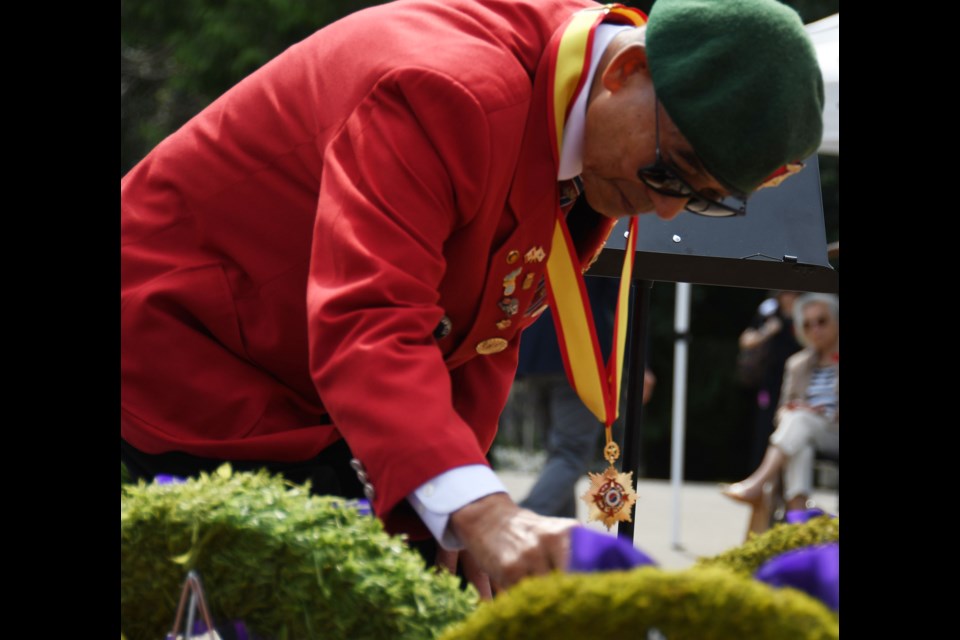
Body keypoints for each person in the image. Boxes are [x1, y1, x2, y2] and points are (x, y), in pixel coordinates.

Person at [121, 0, 824, 595]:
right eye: (674, 172)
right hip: (175, 357)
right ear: (627, 72)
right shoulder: (445, 87)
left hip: (283, 382)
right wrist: (481, 513)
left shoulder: (584, 119)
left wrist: (453, 510)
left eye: (699, 201)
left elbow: (486, 334)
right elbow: (371, 318)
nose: (666, 212)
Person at [509, 275, 656, 519]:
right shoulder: (600, 236)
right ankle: (524, 519)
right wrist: (640, 362)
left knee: (558, 455)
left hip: (532, 352)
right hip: (580, 355)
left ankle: (562, 541)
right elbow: (623, 302)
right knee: (569, 453)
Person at [722, 293, 839, 525]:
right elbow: (782, 411)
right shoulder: (797, 364)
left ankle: (758, 482)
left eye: (821, 321)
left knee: (800, 421)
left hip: (833, 430)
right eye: (807, 324)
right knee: (800, 443)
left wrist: (808, 413)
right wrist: (793, 410)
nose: (815, 328)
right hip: (805, 432)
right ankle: (798, 523)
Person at [737, 291, 803, 471]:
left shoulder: (808, 312)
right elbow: (745, 340)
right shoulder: (769, 311)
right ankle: (760, 480)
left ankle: (783, 486)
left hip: (799, 385)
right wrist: (767, 331)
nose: (789, 296)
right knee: (765, 430)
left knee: (791, 430)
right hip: (770, 382)